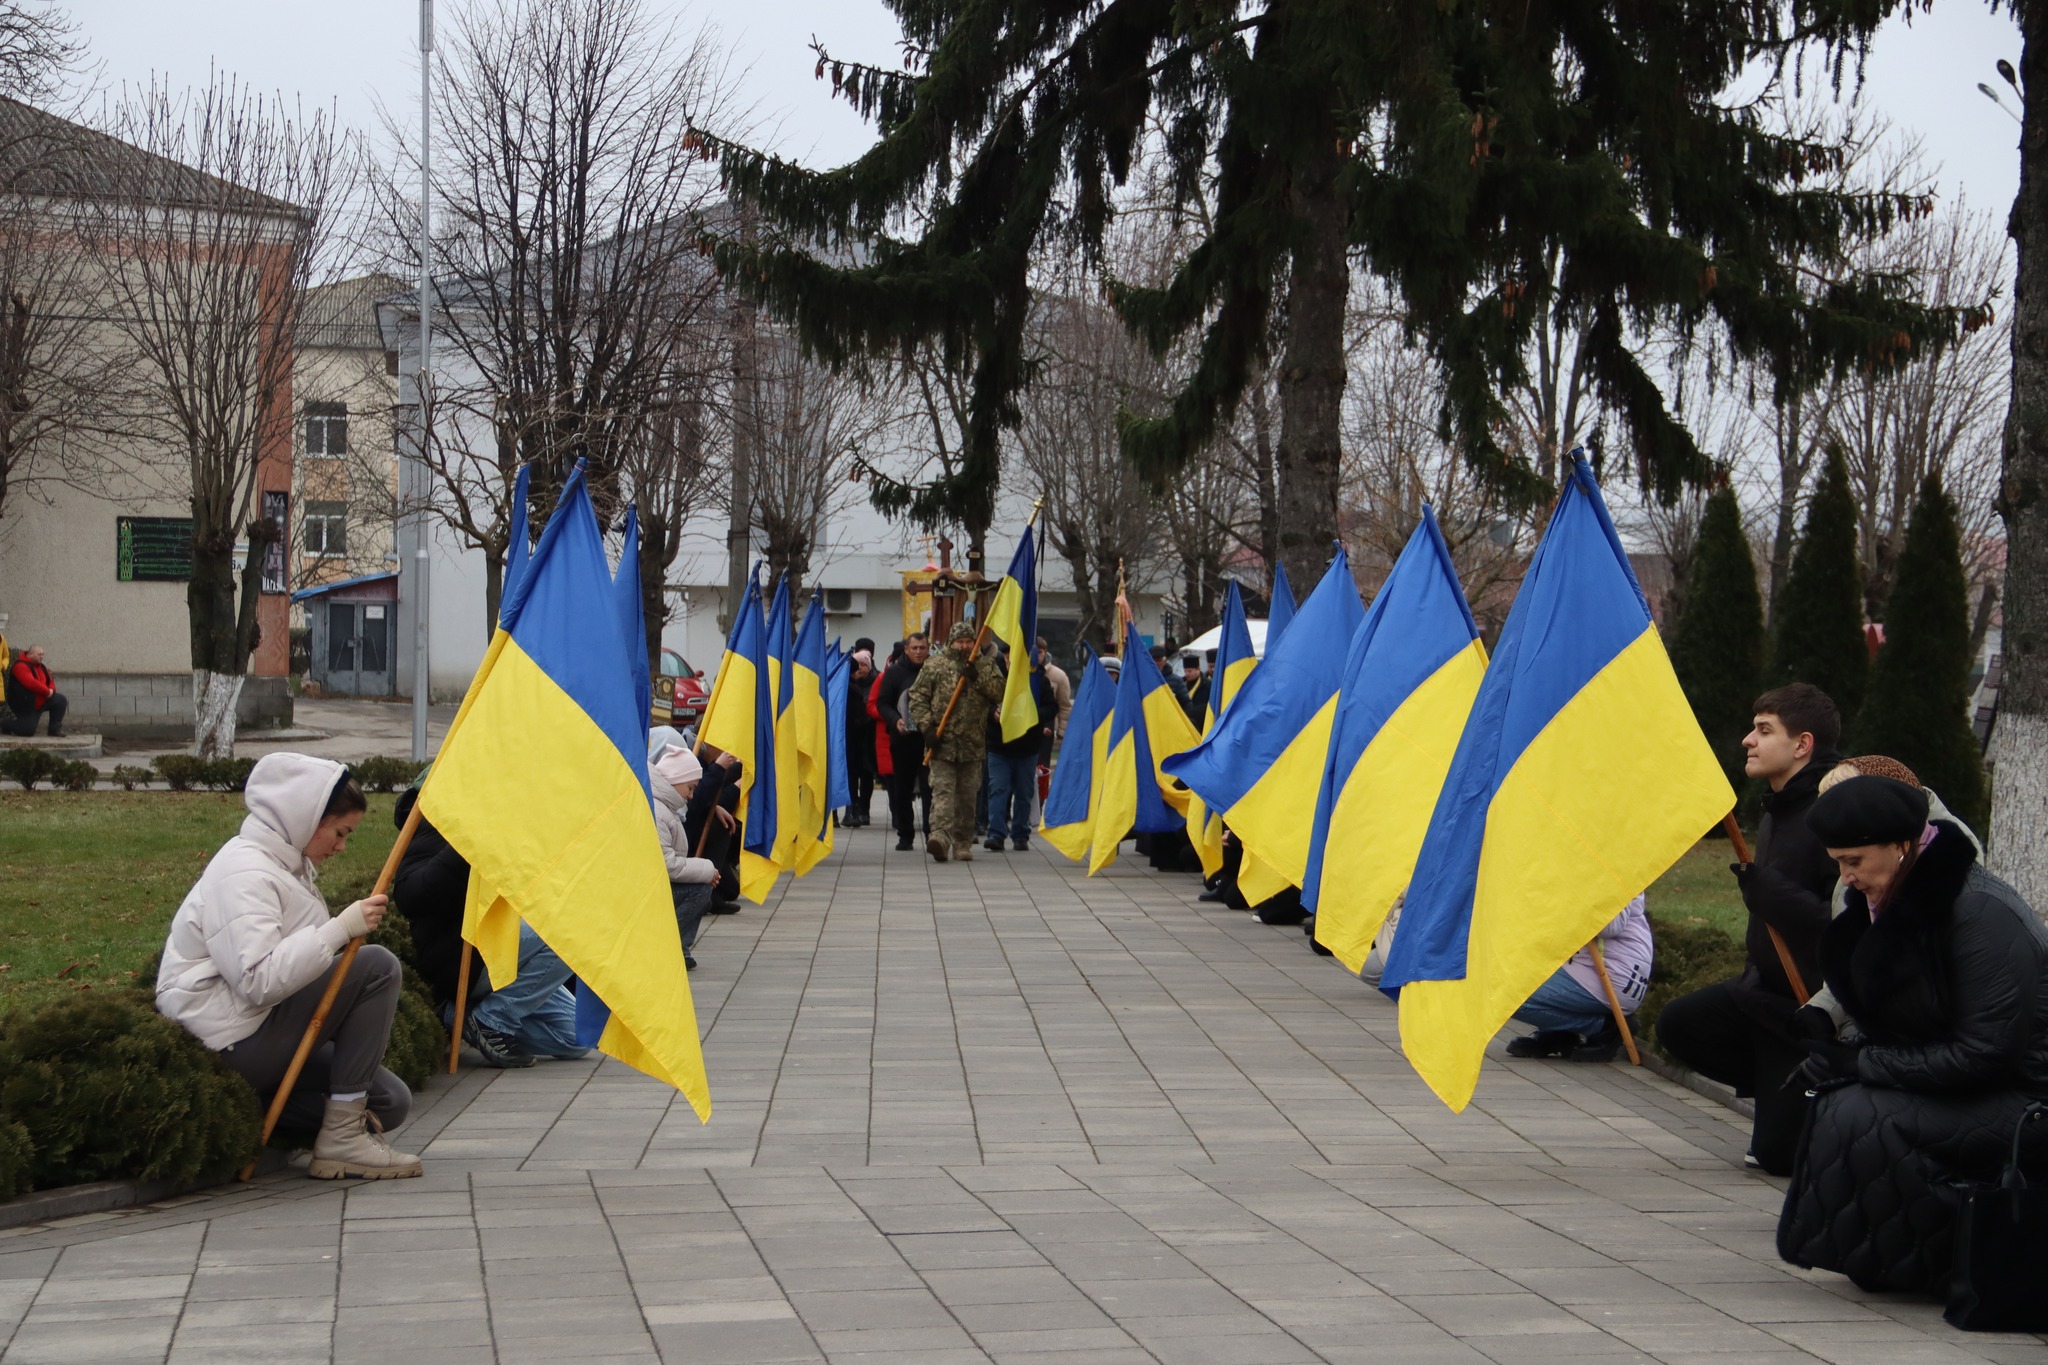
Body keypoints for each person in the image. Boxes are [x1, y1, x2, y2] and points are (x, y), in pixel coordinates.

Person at [1777, 775, 2048, 1295]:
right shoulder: (1894, 903)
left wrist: (1863, 1064)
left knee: (1867, 1111)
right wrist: (1843, 1055)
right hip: (1980, 1083)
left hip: (2027, 1096)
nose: (1845, 877)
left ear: (1902, 846)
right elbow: (1914, 1026)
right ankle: (1885, 1260)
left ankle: (1932, 1266)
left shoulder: (1981, 914)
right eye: (1838, 862)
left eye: (1854, 861)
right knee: (1842, 1103)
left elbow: (1985, 1052)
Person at [155, 754, 422, 1179]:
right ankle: (342, 1141)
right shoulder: (244, 870)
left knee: (390, 1101)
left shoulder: (285, 868)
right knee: (376, 967)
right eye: (339, 832)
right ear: (306, 818)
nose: (341, 846)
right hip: (227, 1039)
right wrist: (339, 930)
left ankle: (249, 1115)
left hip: (254, 1028)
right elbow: (256, 980)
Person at [1655, 683, 1842, 1175]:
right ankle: (1778, 1089)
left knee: (1778, 1160)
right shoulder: (1776, 808)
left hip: (1808, 1012)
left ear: (1802, 745)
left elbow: (1850, 925)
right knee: (1679, 1024)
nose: (1747, 740)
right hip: (1760, 996)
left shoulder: (1834, 814)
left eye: (1764, 731)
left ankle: (1806, 1098)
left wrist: (1775, 897)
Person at [391, 784, 588, 1069]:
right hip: (463, 954)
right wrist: (466, 848)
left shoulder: (501, 822)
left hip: (502, 949)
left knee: (577, 1040)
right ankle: (492, 1018)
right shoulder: (434, 825)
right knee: (570, 933)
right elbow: (410, 898)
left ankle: (456, 1017)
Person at [1504, 896, 1653, 1062]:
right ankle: (1558, 1033)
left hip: (1614, 975)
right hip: (1587, 969)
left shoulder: (1614, 872)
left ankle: (1605, 1029)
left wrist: (1570, 894)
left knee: (1506, 995)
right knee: (1509, 976)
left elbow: (1611, 925)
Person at [907, 621, 1005, 862]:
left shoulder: (986, 665)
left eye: (968, 642)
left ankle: (963, 842)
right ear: (951, 642)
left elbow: (1000, 693)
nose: (964, 646)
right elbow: (918, 697)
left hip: (972, 746)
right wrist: (927, 727)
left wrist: (977, 677)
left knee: (967, 796)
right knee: (943, 792)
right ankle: (939, 837)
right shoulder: (935, 665)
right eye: (960, 642)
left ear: (975, 643)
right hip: (941, 743)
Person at [652, 745, 721, 970]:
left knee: (701, 886)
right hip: (651, 887)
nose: (691, 795)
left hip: (655, 884)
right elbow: (667, 864)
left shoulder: (666, 807)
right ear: (675, 779)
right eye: (690, 788)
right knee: (699, 889)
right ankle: (668, 947)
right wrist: (706, 869)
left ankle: (676, 948)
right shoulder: (660, 811)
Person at [985, 646, 1054, 851]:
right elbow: (982, 703)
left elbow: (1051, 707)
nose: (1011, 662)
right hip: (999, 746)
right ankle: (996, 833)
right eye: (1007, 658)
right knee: (998, 790)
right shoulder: (995, 679)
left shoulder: (1038, 680)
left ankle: (1020, 833)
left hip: (1027, 747)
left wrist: (1031, 714)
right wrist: (992, 714)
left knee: (1024, 792)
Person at [875, 633, 932, 852]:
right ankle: (905, 834)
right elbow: (882, 703)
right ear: (906, 649)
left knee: (930, 788)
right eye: (915, 647)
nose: (919, 651)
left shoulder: (933, 671)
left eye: (923, 648)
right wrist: (895, 720)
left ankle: (931, 833)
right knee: (902, 789)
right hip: (902, 740)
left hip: (928, 739)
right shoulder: (895, 673)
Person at [845, 645, 878, 826]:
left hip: (867, 737)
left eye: (863, 665)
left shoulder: (877, 680)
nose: (860, 669)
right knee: (851, 773)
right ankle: (852, 808)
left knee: (866, 773)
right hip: (852, 737)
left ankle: (862, 809)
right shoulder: (850, 688)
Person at [4, 644, 66, 737]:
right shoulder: (20, 666)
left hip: (41, 701)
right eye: (39, 654)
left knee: (60, 700)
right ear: (30, 654)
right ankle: (4, 724)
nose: (42, 657)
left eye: (43, 655)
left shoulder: (42, 667)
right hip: (25, 705)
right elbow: (32, 684)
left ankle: (54, 729)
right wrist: (47, 692)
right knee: (27, 730)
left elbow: (50, 680)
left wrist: (51, 690)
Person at [1182, 655, 1210, 728]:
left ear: (1198, 669)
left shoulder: (1207, 684)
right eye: (1185, 671)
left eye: (1189, 671)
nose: (1187, 674)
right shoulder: (1181, 683)